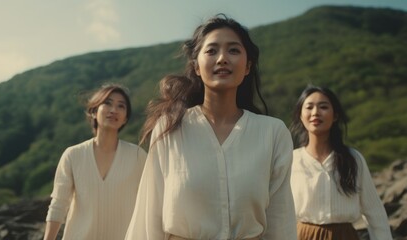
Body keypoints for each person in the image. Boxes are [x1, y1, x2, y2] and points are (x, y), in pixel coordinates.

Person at [125, 14, 297, 240]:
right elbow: (149, 218)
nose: (223, 58)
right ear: (196, 66)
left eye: (234, 50)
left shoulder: (272, 133)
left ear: (247, 67)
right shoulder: (170, 128)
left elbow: (280, 221)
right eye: (212, 50)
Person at [43, 84, 147, 240]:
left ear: (125, 118)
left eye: (121, 106)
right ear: (93, 111)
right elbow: (59, 204)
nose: (114, 110)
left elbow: (151, 204)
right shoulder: (73, 155)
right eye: (107, 103)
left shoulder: (138, 156)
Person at [289, 85, 393, 240]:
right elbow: (278, 212)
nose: (315, 113)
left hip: (344, 236)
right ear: (300, 115)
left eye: (323, 107)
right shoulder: (292, 160)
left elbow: (374, 212)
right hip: (302, 235)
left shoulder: (353, 159)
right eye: (309, 107)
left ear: (335, 115)